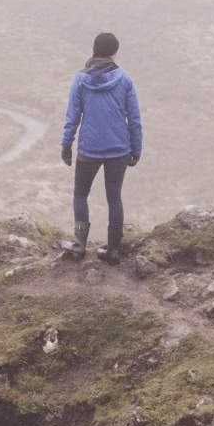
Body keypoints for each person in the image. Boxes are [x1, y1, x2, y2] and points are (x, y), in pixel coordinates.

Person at [61, 32, 143, 263]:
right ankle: (114, 251)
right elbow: (134, 119)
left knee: (80, 194)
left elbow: (72, 116)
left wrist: (67, 144)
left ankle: (78, 246)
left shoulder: (80, 79)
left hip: (89, 149)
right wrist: (136, 148)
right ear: (114, 53)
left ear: (95, 50)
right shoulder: (125, 79)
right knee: (114, 198)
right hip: (119, 148)